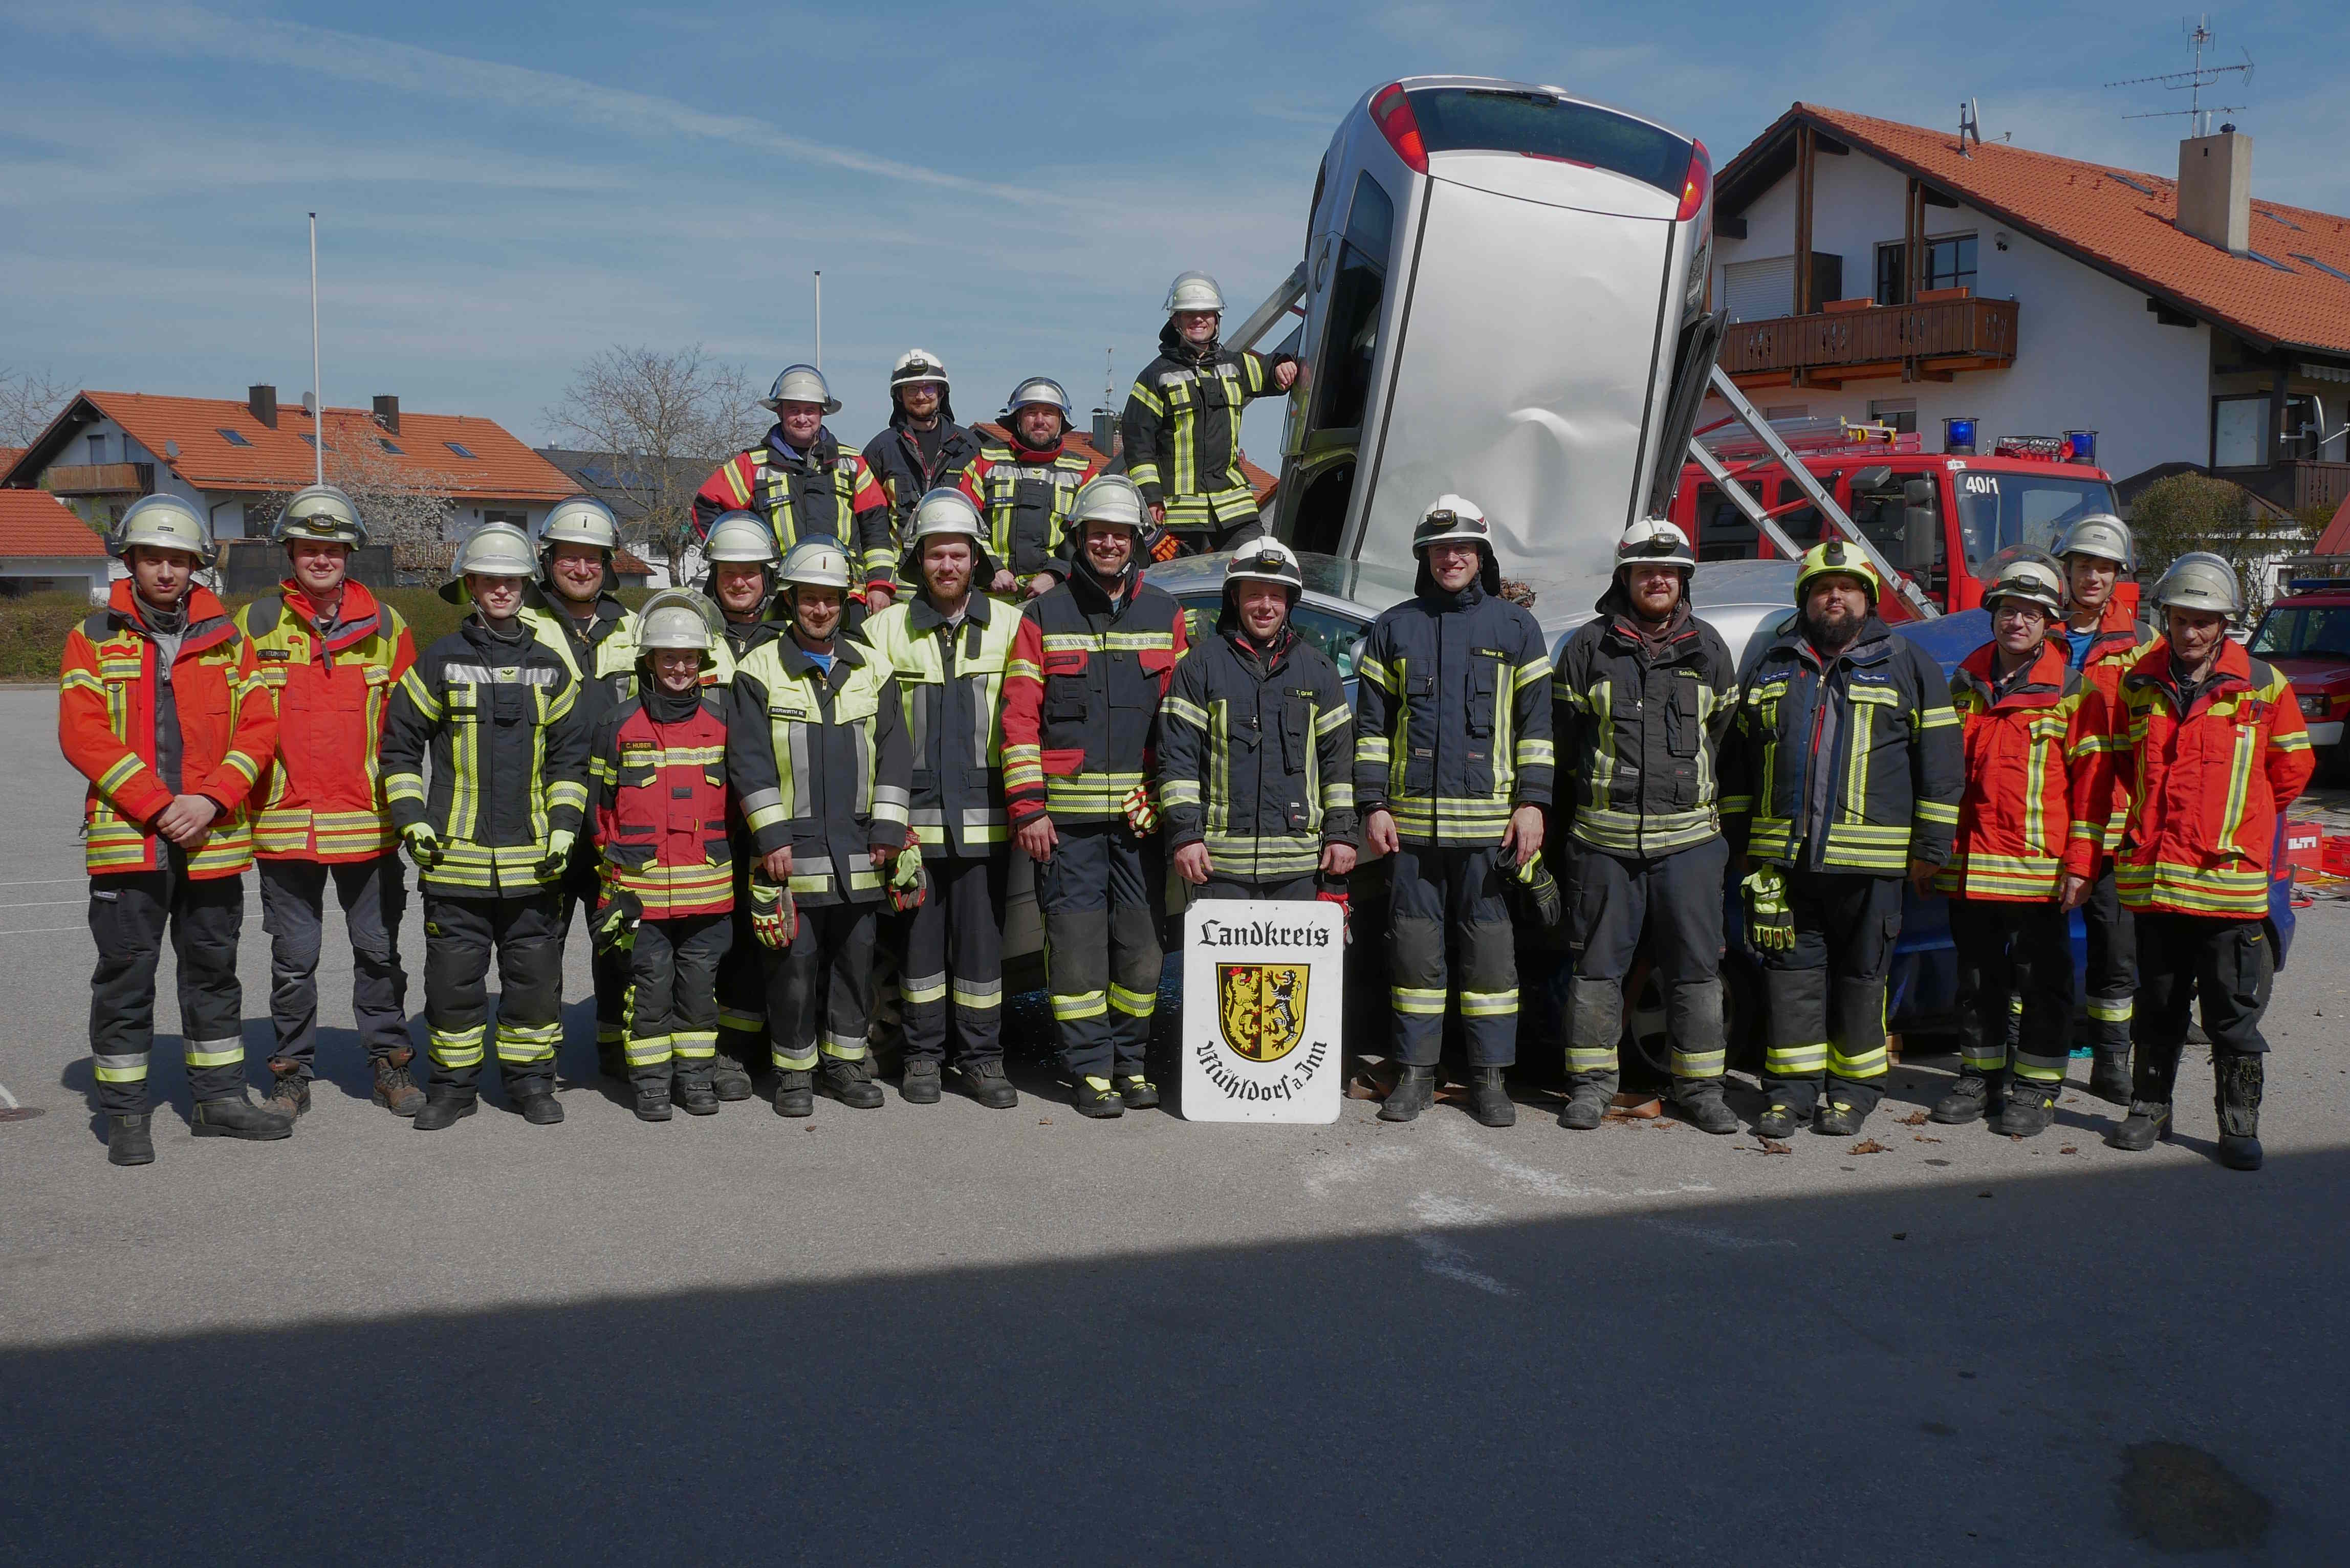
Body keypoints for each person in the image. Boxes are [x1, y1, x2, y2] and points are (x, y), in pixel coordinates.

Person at [60, 496, 288, 1165]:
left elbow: (259, 727)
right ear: (129, 560)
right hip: (130, 840)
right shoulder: (93, 635)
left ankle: (218, 1102)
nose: (166, 570)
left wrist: (214, 799)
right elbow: (84, 734)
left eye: (178, 560)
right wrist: (162, 806)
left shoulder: (229, 637)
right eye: (153, 557)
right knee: (127, 978)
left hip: (210, 842)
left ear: (197, 566)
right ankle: (127, 1116)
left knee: (213, 976)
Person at [1724, 539, 1963, 1139]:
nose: (1835, 597)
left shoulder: (1908, 664)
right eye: (1822, 588)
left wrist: (1930, 848)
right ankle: (1788, 1095)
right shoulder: (1772, 663)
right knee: (1789, 979)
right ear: (1805, 601)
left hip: (1872, 866)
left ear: (1867, 599)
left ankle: (1852, 1092)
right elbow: (1736, 757)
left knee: (1861, 982)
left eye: (1847, 587)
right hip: (1784, 861)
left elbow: (1939, 763)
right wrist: (1736, 837)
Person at [2106, 552, 2313, 1170]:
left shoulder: (2263, 684)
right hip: (2157, 882)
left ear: (2224, 623)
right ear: (2163, 617)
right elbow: (2124, 762)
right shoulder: (2137, 681)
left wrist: (2239, 824)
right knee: (2158, 1006)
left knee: (2231, 1015)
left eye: (2204, 619)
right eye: (2179, 618)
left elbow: (2290, 770)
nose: (2190, 631)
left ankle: (2237, 1123)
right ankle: (2149, 1107)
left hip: (2228, 885)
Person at [381, 523, 590, 1131]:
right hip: (454, 865)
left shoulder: (550, 668)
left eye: (512, 580)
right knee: (452, 987)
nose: (501, 589)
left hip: (534, 865)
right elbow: (399, 747)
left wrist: (562, 828)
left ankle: (530, 1084)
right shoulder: (439, 661)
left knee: (532, 986)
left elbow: (570, 758)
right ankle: (453, 1088)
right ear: (470, 585)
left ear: (526, 586)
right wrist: (412, 820)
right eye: (489, 580)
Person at [1354, 496, 1553, 1128]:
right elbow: (1370, 730)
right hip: (1410, 834)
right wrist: (1372, 805)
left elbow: (1536, 727)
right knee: (1414, 958)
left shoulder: (1515, 629)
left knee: (1490, 959)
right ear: (1424, 557)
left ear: (1481, 555)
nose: (1452, 557)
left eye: (1463, 548)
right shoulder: (1393, 628)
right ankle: (1414, 1074)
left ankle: (1489, 1079)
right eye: (1440, 549)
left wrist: (1532, 803)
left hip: (1490, 833)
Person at [1000, 474, 1189, 1118]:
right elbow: (1019, 718)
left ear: (1137, 540)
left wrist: (1166, 795)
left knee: (1141, 951)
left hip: (1142, 824)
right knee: (1077, 951)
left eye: (1120, 533)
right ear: (1078, 537)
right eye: (1097, 532)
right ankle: (1089, 1069)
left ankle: (1131, 1062)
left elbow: (1183, 723)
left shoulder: (1166, 614)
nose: (1108, 543)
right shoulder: (1042, 616)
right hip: (1066, 826)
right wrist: (1028, 807)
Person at [236, 484, 423, 1119]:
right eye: (309, 548)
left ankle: (390, 1065)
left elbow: (408, 730)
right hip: (285, 825)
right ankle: (291, 1073)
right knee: (294, 961)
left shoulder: (389, 626)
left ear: (350, 555)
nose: (321, 559)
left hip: (369, 824)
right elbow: (237, 721)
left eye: (333, 549)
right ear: (290, 552)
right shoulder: (256, 624)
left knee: (378, 952)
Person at [1550, 518, 1740, 1135]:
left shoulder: (1708, 648)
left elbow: (1723, 744)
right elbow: (1563, 744)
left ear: (1682, 578)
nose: (1656, 579)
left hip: (1688, 845)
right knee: (1595, 972)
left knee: (1695, 971)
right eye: (1643, 571)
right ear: (1624, 578)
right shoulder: (1587, 647)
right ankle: (1589, 1088)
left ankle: (1700, 1090)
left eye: (1668, 571)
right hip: (1602, 846)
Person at [726, 539, 913, 1116]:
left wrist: (888, 827)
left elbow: (894, 752)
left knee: (855, 962)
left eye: (830, 600)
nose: (820, 610)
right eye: (809, 599)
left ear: (844, 605)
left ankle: (845, 1065)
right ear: (791, 601)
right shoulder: (758, 670)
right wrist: (771, 838)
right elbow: (749, 761)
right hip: (793, 850)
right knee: (792, 967)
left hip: (859, 847)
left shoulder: (871, 667)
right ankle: (793, 1072)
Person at [1927, 558, 2112, 1137]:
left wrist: (2081, 867)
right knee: (1978, 979)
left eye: (2030, 614)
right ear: (1993, 615)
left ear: (2048, 623)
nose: (2016, 622)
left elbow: (2093, 792)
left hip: (2038, 873)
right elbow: (1936, 775)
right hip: (1969, 867)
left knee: (2041, 983)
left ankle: (2034, 1088)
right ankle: (1978, 1077)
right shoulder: (1961, 683)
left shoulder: (2074, 692)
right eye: (2008, 610)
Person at [859, 489, 1023, 1108]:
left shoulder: (1010, 627)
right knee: (919, 947)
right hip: (913, 828)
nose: (947, 565)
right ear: (917, 562)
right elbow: (867, 734)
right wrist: (886, 820)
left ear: (975, 559)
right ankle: (924, 1057)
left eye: (957, 553)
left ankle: (982, 1060)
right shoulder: (881, 630)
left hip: (989, 820)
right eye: (935, 555)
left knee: (983, 950)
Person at [589, 590, 737, 1122]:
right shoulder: (618, 724)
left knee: (699, 992)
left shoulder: (724, 724)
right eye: (668, 658)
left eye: (690, 659)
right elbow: (598, 811)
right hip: (641, 895)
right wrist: (612, 884)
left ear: (703, 663)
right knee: (649, 990)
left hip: (708, 894)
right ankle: (651, 1083)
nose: (679, 668)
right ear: (648, 660)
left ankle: (695, 1079)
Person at [1158, 538, 1358, 901]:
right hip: (1220, 869)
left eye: (1276, 596)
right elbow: (1178, 763)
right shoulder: (1200, 668)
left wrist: (1342, 835)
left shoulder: (1319, 671)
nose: (1265, 606)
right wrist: (1186, 836)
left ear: (1289, 602)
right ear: (1234, 598)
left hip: (1301, 868)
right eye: (1254, 594)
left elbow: (1338, 768)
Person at [521, 496, 639, 1082]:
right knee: (539, 945)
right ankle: (536, 1057)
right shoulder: (521, 622)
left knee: (617, 938)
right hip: (539, 812)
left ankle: (615, 1047)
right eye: (569, 557)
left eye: (592, 558)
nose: (582, 569)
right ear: (547, 561)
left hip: (614, 815)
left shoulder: (632, 627)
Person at [2053, 512, 2156, 1104]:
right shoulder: (2039, 630)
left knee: (2114, 948)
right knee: (2035, 947)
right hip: (2043, 818)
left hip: (2114, 824)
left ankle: (2110, 1061)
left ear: (2119, 575)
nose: (2093, 576)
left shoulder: (2142, 643)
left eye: (2104, 567)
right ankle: (2031, 1052)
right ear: (2065, 570)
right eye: (2083, 565)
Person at [697, 510, 788, 1097]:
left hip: (772, 808)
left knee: (767, 933)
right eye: (729, 572)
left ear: (767, 577)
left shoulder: (789, 638)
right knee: (713, 936)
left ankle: (754, 1042)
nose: (739, 581)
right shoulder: (689, 635)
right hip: (704, 809)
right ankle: (723, 1050)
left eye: (750, 572)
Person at [693, 364, 896, 613]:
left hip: (845, 596)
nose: (802, 418)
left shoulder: (853, 464)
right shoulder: (752, 466)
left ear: (822, 413)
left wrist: (879, 584)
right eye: (794, 410)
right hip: (778, 597)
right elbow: (706, 505)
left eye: (810, 410)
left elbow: (876, 529)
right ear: (779, 412)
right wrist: (739, 562)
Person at [1120, 271, 1298, 553]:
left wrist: (1282, 365)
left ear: (1217, 319)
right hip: (1177, 513)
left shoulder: (1235, 365)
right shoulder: (1155, 377)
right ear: (1175, 320)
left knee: (1252, 567)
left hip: (1234, 507)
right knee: (1177, 588)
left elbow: (1269, 373)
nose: (1199, 319)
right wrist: (1151, 496)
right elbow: (1138, 443)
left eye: (1207, 313)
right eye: (1190, 314)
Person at [956, 377, 1105, 599]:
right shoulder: (984, 462)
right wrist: (992, 568)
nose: (1039, 420)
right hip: (989, 595)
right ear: (1017, 418)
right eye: (1031, 412)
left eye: (1049, 413)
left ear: (1061, 420)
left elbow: (1092, 533)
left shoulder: (1084, 473)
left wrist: (1056, 573)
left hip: (1057, 595)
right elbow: (961, 523)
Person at [862, 350, 981, 534]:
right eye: (912, 389)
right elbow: (870, 520)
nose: (920, 396)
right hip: (900, 561)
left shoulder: (969, 446)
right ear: (899, 396)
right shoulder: (881, 450)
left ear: (941, 392)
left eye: (928, 388)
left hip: (951, 559)